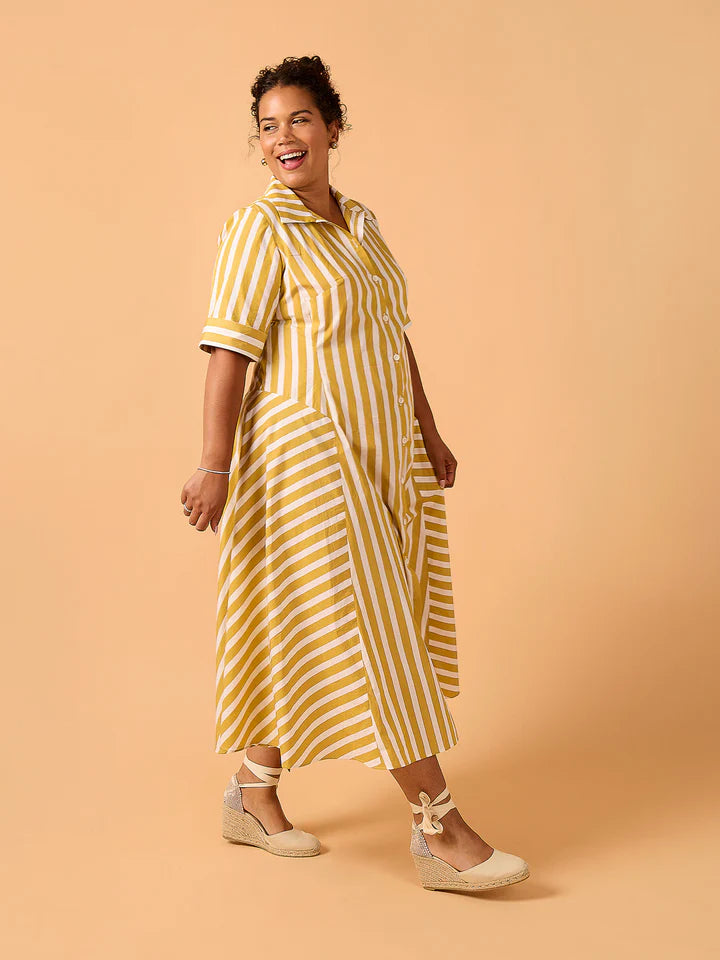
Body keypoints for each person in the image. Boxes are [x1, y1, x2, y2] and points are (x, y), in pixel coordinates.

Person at [181, 55, 529, 892]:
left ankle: (252, 791)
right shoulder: (259, 229)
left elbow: (390, 333)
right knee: (371, 634)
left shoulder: (362, 227)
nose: (283, 137)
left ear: (332, 128)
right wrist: (213, 463)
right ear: (258, 145)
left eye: (298, 119)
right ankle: (438, 828)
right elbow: (230, 352)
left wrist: (428, 428)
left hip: (382, 458)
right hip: (306, 456)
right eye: (267, 125)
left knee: (328, 625)